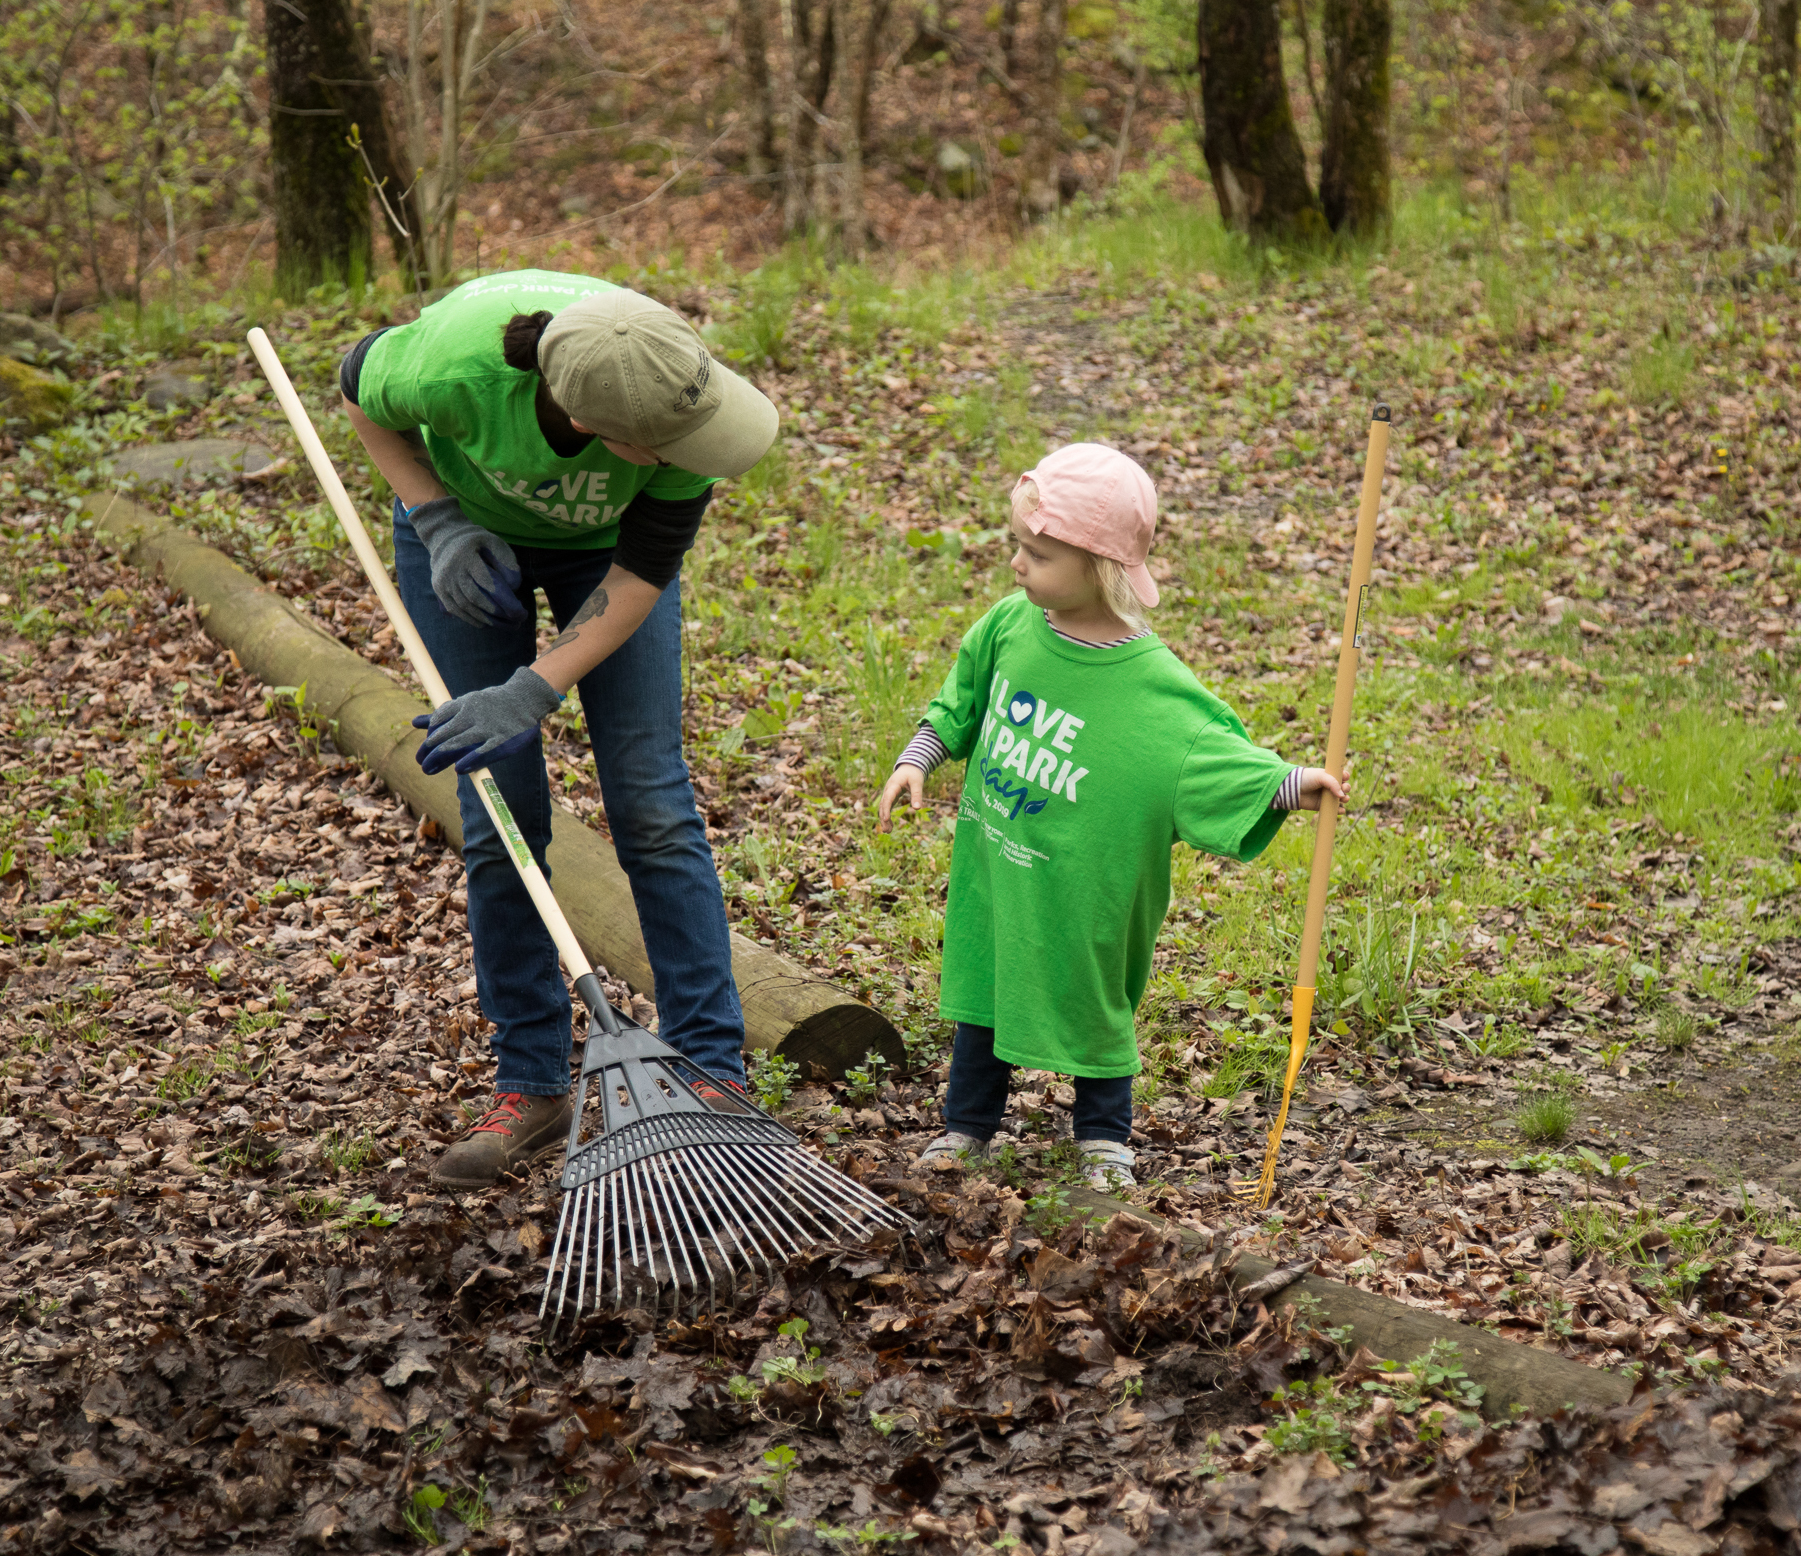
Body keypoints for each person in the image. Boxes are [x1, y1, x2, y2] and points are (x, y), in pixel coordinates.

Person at [339, 270, 779, 1188]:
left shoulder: (671, 386)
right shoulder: (453, 364)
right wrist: (438, 516)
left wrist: (532, 688)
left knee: (653, 800)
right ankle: (531, 1081)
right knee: (501, 807)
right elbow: (356, 383)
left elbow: (641, 576)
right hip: (461, 547)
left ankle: (712, 1070)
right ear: (599, 429)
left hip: (607, 564)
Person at [876, 443, 1346, 1192]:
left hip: (1086, 889)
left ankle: (1103, 1139)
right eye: (1018, 547)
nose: (1017, 566)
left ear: (1097, 566)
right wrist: (918, 757)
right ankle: (966, 1126)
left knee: (1095, 996)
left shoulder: (1152, 689)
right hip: (998, 867)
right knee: (985, 991)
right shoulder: (1010, 628)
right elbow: (962, 697)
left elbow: (1208, 755)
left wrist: (1289, 784)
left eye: (1037, 553)